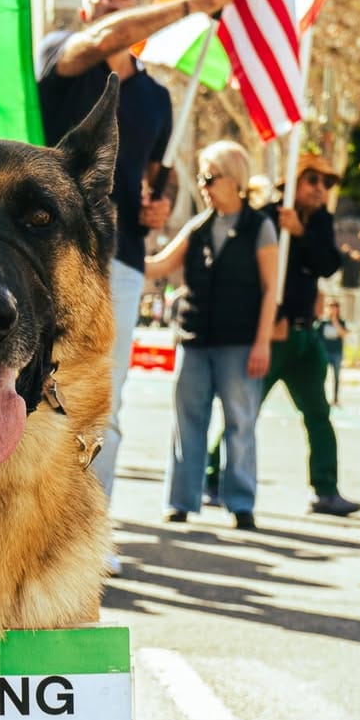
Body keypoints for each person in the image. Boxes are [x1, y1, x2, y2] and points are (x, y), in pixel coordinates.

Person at [36, 0, 239, 572]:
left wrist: (162, 201)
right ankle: (17, 533)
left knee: (103, 402)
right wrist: (193, 5)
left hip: (117, 262)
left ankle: (85, 537)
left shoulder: (154, 96)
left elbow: (156, 173)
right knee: (28, 392)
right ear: (86, 6)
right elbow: (102, 40)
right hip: (42, 257)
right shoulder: (63, 54)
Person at [205, 152, 360, 517]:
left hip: (306, 338)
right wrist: (266, 320)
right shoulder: (264, 217)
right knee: (244, 411)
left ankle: (326, 490)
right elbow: (249, 274)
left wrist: (302, 233)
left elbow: (328, 265)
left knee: (318, 413)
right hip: (270, 337)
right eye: (313, 180)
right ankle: (211, 478)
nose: (321, 189)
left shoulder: (320, 222)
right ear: (293, 182)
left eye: (327, 183)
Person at [145, 142, 276, 530]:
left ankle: (241, 502)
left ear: (234, 180)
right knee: (187, 422)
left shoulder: (260, 227)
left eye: (208, 177)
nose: (202, 186)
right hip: (195, 339)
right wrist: (129, 243)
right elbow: (158, 266)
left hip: (240, 343)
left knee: (240, 423)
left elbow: (271, 289)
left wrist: (262, 342)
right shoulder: (197, 227)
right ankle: (180, 501)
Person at [317, 296, 346, 406]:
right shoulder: (323, 323)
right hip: (325, 353)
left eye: (335, 307)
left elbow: (343, 335)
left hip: (336, 353)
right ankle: (322, 399)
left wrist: (335, 321)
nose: (333, 309)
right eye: (330, 306)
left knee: (336, 377)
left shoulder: (341, 322)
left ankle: (335, 399)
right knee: (322, 376)